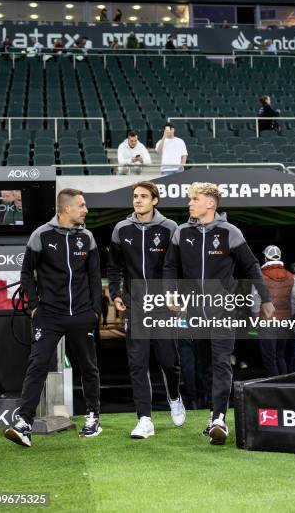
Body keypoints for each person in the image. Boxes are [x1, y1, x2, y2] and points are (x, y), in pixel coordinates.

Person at [163, 182, 274, 445]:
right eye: (190, 199)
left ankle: (218, 418)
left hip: (223, 308)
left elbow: (251, 265)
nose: (190, 203)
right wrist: (169, 292)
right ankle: (212, 413)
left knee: (222, 361)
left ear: (210, 203)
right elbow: (169, 266)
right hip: (193, 311)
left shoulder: (230, 233)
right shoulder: (181, 233)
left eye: (195, 199)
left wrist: (266, 299)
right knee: (204, 364)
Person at [4, 189, 102, 447]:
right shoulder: (41, 235)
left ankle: (93, 417)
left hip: (82, 314)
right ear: (66, 209)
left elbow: (94, 277)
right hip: (49, 315)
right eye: (82, 205)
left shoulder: (88, 237)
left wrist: (95, 311)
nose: (86, 210)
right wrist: (35, 306)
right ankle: (24, 422)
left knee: (89, 367)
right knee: (37, 365)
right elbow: (26, 273)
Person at [107, 181, 185, 438]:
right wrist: (117, 294)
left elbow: (176, 266)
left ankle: (175, 396)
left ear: (155, 201)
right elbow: (113, 267)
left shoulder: (170, 228)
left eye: (143, 196)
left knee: (169, 362)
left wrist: (174, 295)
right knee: (137, 364)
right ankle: (144, 419)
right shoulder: (121, 229)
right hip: (136, 306)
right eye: (135, 196)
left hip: (163, 306)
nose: (138, 200)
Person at [252, 245, 295, 378]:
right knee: (280, 356)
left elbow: (255, 302)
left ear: (266, 257)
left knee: (270, 359)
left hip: (266, 323)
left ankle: (275, 390)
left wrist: (255, 320)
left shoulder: (260, 276)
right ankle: (284, 389)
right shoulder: (290, 277)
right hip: (284, 322)